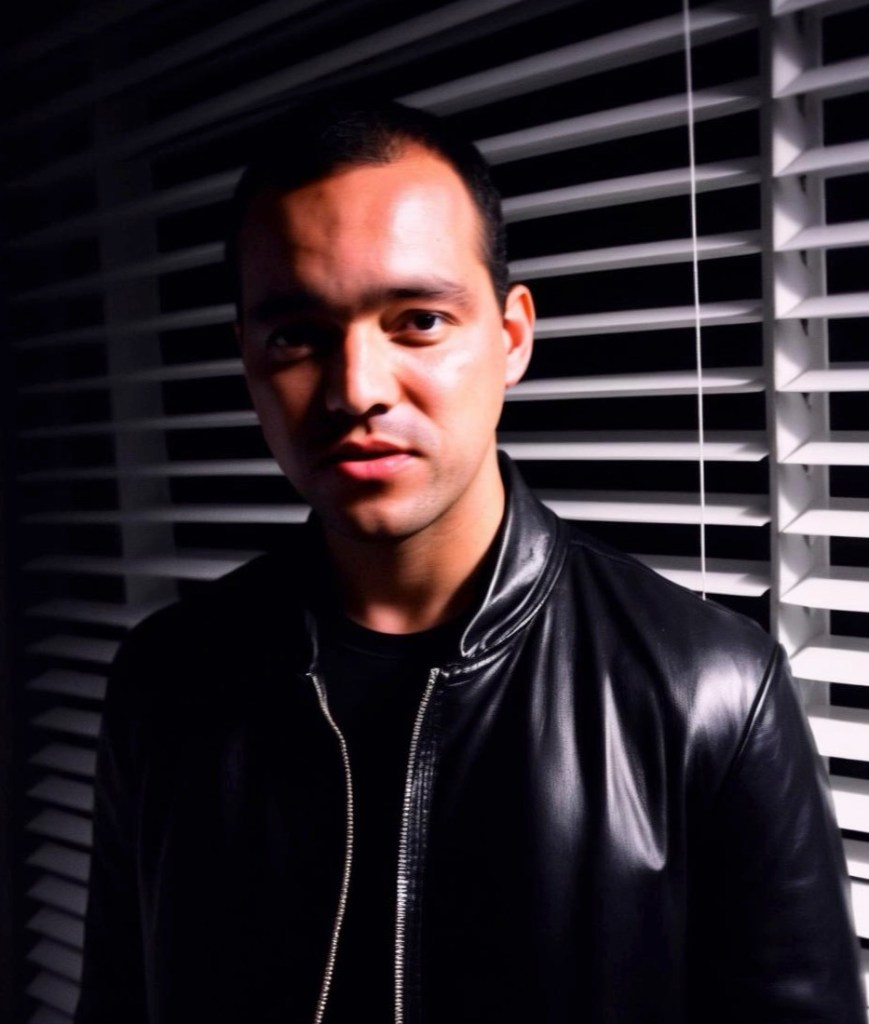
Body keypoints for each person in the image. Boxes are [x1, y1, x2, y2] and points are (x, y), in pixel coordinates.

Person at [75, 100, 865, 1024]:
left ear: (510, 336)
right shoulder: (165, 681)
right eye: (296, 336)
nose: (356, 390)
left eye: (417, 320)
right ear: (247, 357)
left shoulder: (710, 692)